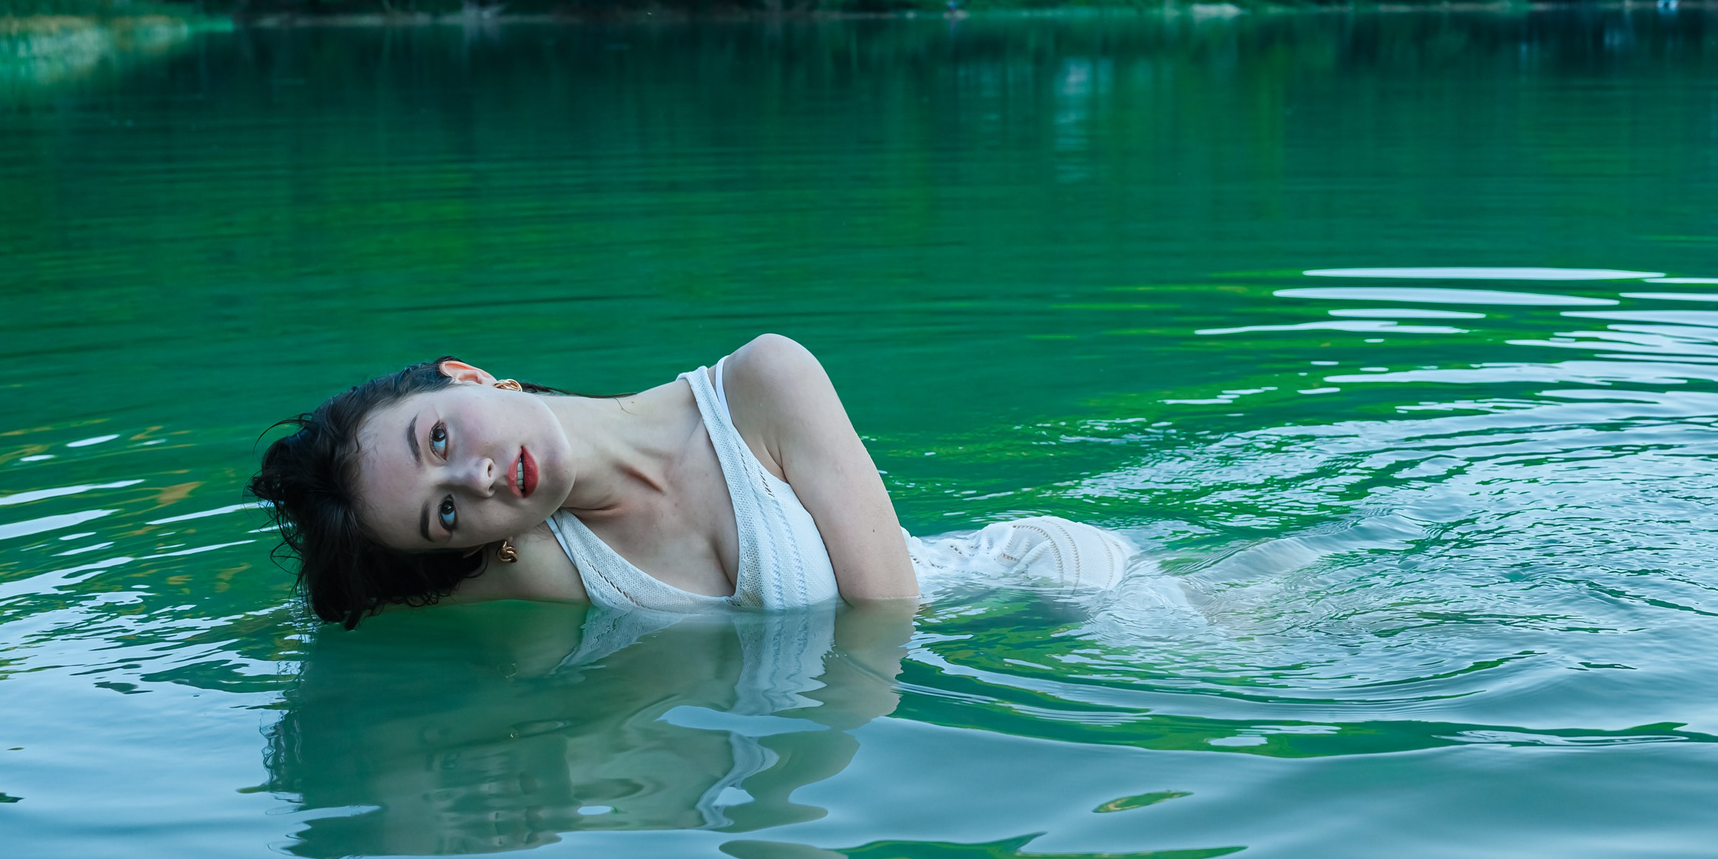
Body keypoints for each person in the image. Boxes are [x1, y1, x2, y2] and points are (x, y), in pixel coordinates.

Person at [249, 335, 1130, 629]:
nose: (475, 478)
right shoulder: (527, 562)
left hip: (1054, 580)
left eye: (439, 435)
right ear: (470, 545)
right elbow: (351, 605)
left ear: (470, 375)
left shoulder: (762, 386)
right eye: (445, 512)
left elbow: (891, 626)